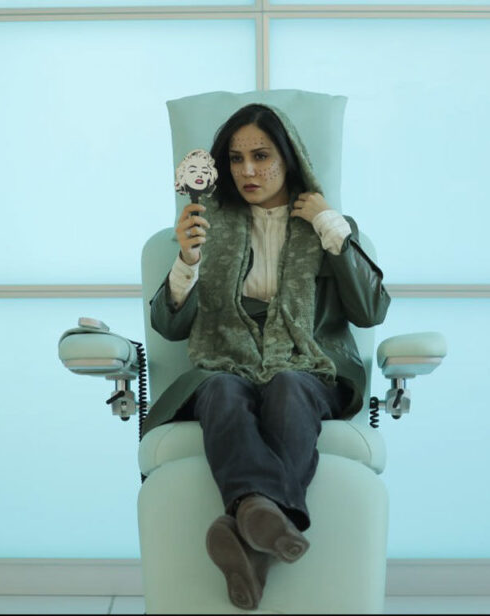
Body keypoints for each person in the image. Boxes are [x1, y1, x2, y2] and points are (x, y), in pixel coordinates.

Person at [147, 103, 390, 610]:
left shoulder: (328, 225)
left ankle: (246, 516)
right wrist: (187, 260)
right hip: (226, 361)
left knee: (288, 385)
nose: (248, 171)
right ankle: (258, 533)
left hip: (309, 363)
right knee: (219, 389)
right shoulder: (206, 226)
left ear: (289, 158)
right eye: (236, 159)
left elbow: (371, 311)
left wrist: (329, 225)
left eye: (261, 156)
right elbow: (170, 327)